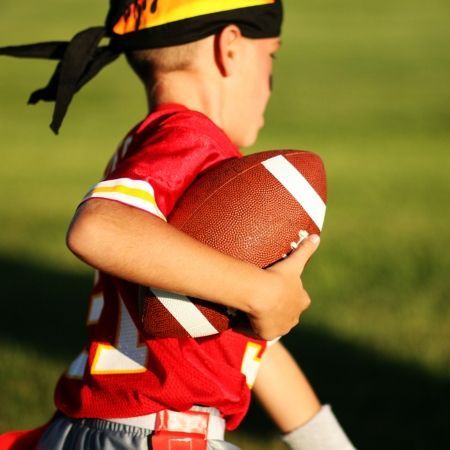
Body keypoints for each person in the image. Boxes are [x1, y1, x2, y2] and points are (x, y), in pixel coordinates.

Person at [0, 1, 356, 449]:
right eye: (272, 57)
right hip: (157, 434)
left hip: (95, 427)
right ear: (230, 48)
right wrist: (261, 290)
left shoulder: (149, 145)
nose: (271, 82)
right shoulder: (190, 137)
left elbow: (247, 350)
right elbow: (97, 227)